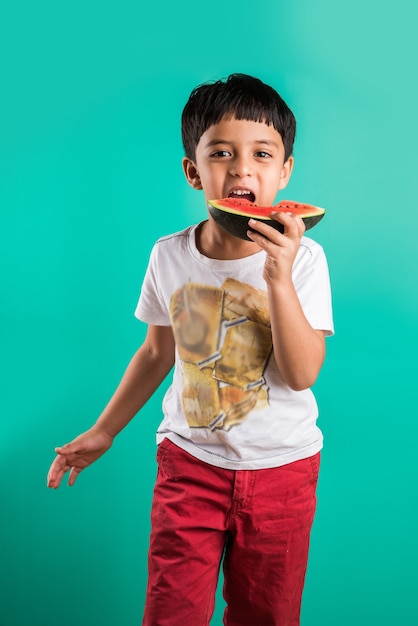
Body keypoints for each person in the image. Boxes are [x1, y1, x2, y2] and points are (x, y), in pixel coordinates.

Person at [47, 73, 334, 626]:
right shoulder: (169, 256)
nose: (243, 168)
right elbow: (156, 353)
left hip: (284, 470)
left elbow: (301, 375)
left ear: (285, 172)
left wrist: (278, 278)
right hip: (189, 464)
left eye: (262, 154)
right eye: (222, 153)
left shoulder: (307, 261)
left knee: (266, 615)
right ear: (193, 170)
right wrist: (104, 430)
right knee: (170, 613)